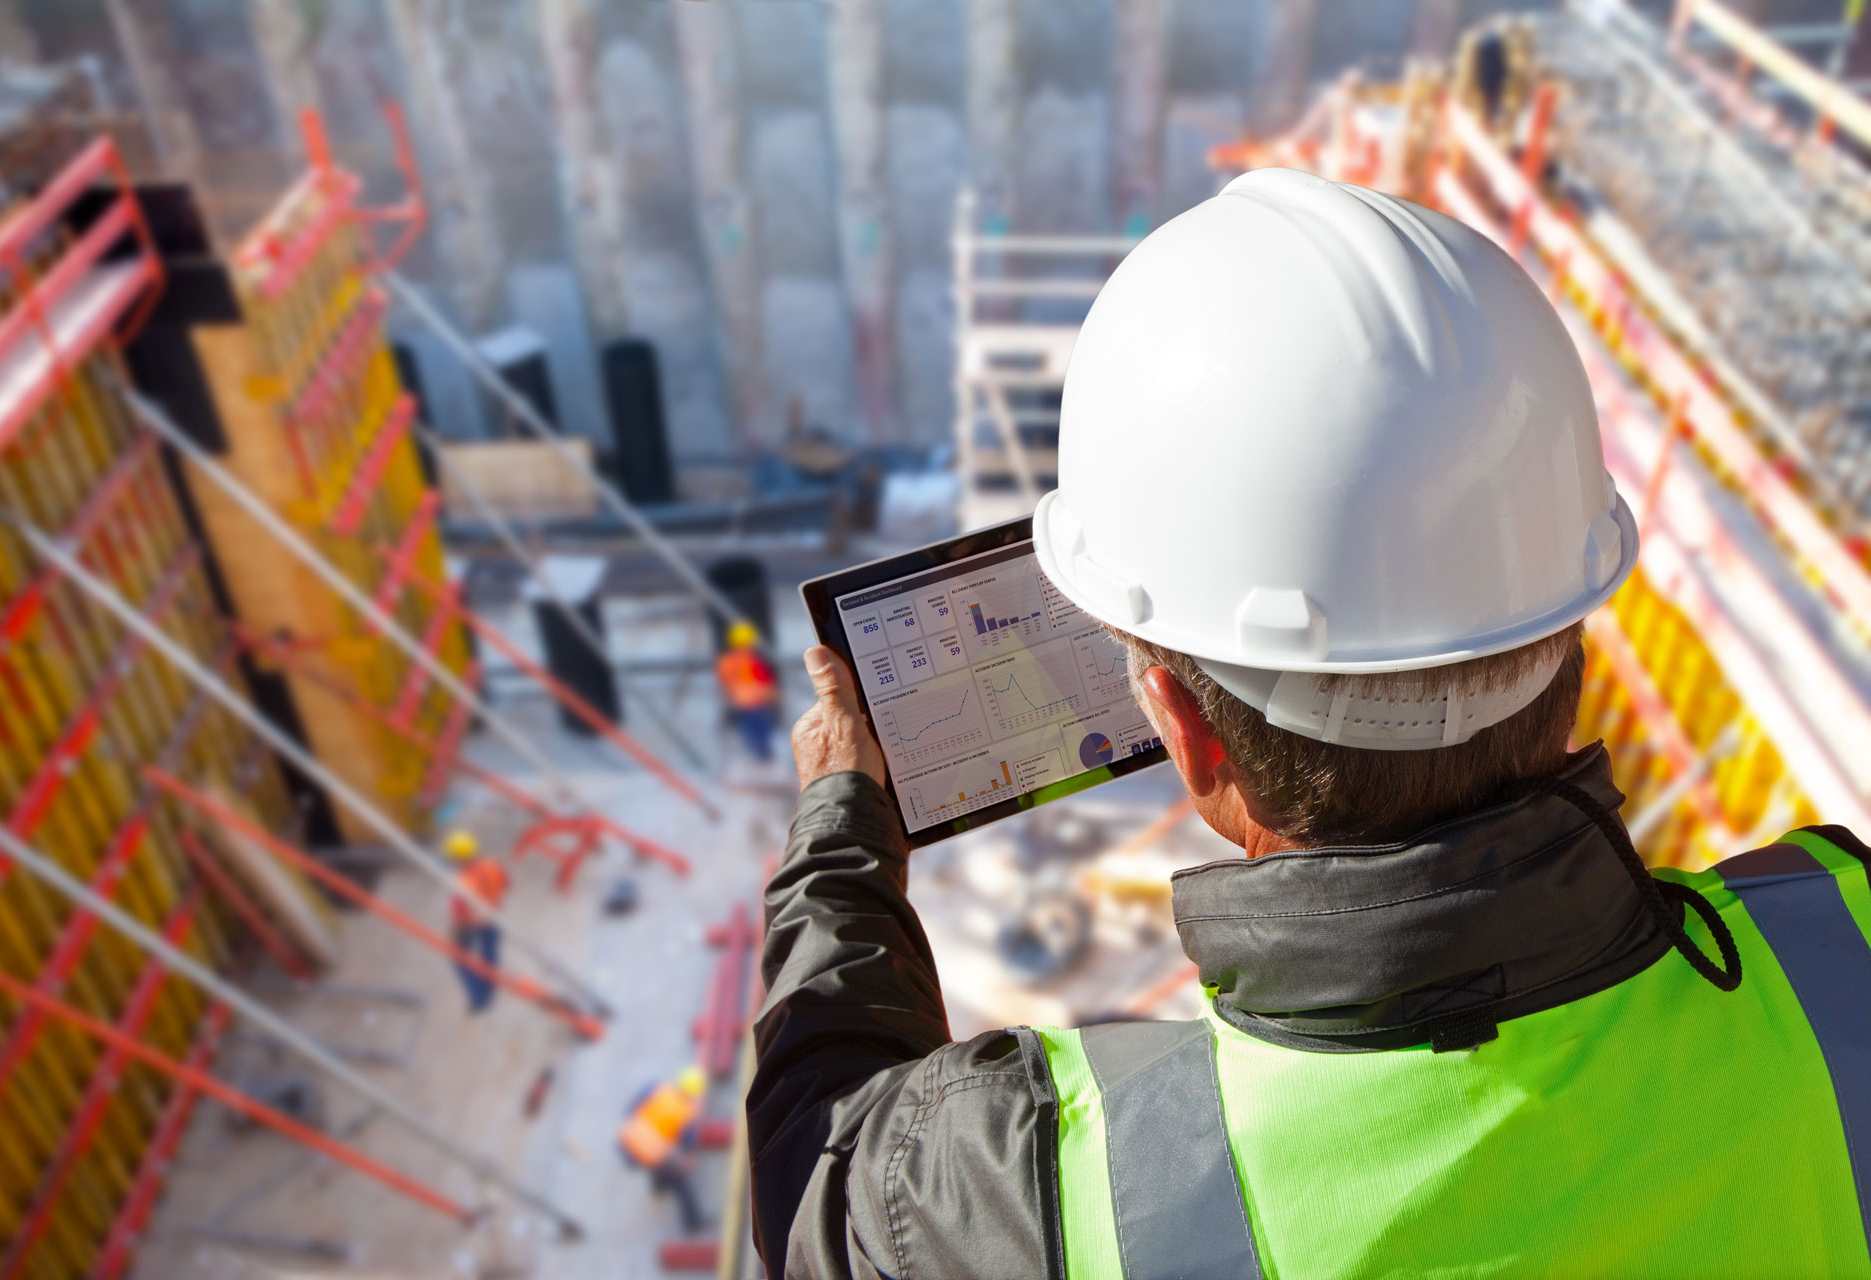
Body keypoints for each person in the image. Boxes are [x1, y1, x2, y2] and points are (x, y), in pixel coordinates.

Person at [748, 169, 1871, 1278]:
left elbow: (819, 1171)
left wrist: (844, 828)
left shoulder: (1050, 1192)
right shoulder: (1839, 936)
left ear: (1187, 728)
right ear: (1568, 626)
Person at [619, 1065, 707, 1234]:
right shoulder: (686, 1112)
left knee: (659, 1165)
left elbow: (632, 1107)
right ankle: (693, 1222)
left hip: (629, 1141)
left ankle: (659, 1188)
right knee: (681, 1182)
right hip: (650, 1151)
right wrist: (688, 1161)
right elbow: (688, 1144)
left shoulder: (657, 1088)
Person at [444, 829, 508, 1015]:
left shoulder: (463, 881)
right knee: (490, 954)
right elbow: (505, 884)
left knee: (460, 959)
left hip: (472, 922)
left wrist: (454, 934)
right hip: (494, 916)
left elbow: (459, 913)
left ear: (459, 857)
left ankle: (479, 999)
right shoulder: (492, 865)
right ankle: (490, 988)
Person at [717, 620, 780, 762]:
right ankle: (763, 762)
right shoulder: (752, 661)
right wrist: (775, 695)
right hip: (757, 704)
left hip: (742, 704)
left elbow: (726, 684)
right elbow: (764, 682)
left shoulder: (726, 662)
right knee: (760, 737)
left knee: (752, 736)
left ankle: (759, 761)